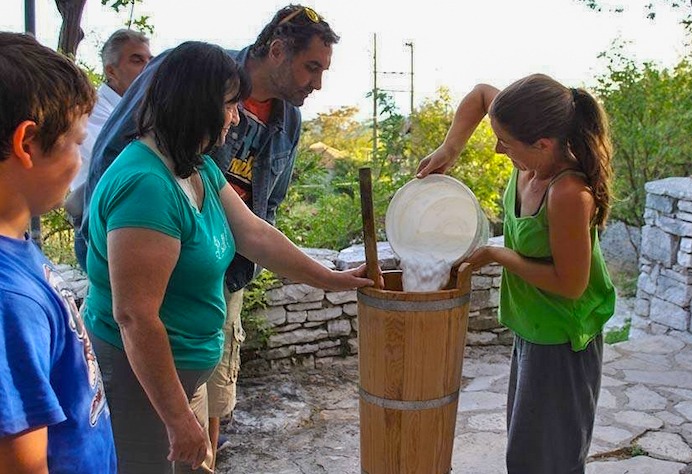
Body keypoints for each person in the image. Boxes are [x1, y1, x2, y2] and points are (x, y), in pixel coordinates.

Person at [84, 40, 372, 474]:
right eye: (229, 105)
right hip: (142, 382)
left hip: (182, 377)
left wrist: (333, 279)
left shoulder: (196, 165)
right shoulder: (145, 185)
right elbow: (135, 317)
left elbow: (255, 234)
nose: (237, 117)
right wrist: (179, 419)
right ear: (195, 106)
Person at [417, 74, 617, 473]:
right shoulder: (530, 152)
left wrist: (497, 253)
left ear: (543, 145)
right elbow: (479, 95)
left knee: (546, 462)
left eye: (505, 144)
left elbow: (571, 285)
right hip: (530, 329)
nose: (496, 148)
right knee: (526, 453)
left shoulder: (567, 194)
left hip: (561, 343)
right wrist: (449, 148)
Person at [0, 32, 116, 473]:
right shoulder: (9, 301)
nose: (79, 161)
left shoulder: (18, 249)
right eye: (75, 142)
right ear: (27, 143)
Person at [66, 29, 152, 229]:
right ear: (111, 71)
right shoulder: (92, 110)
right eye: (137, 60)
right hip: (97, 219)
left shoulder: (139, 110)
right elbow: (119, 157)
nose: (147, 68)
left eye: (150, 60)